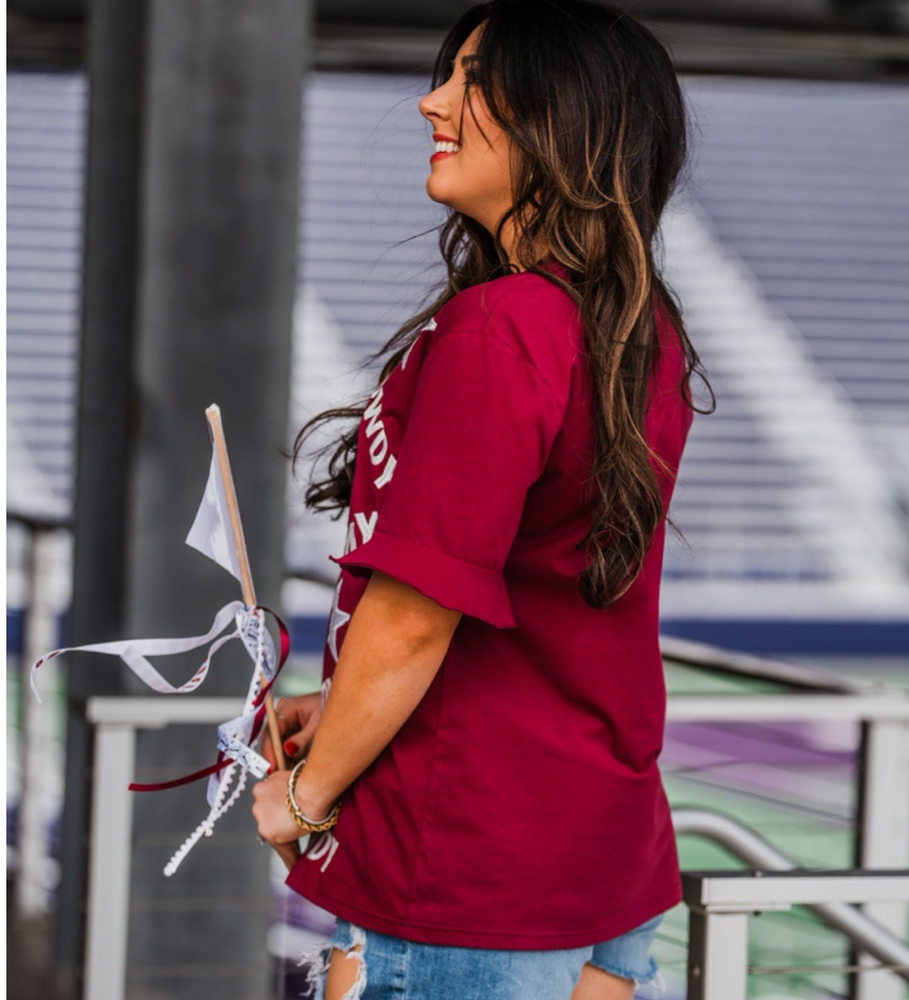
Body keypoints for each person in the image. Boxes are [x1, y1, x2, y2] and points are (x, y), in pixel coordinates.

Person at [252, 2, 713, 997]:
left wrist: (308, 785)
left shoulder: (499, 327)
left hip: (466, 866)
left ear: (564, 114)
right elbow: (539, 592)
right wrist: (342, 710)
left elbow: (418, 616)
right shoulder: (642, 333)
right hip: (597, 857)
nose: (432, 101)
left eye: (471, 78)